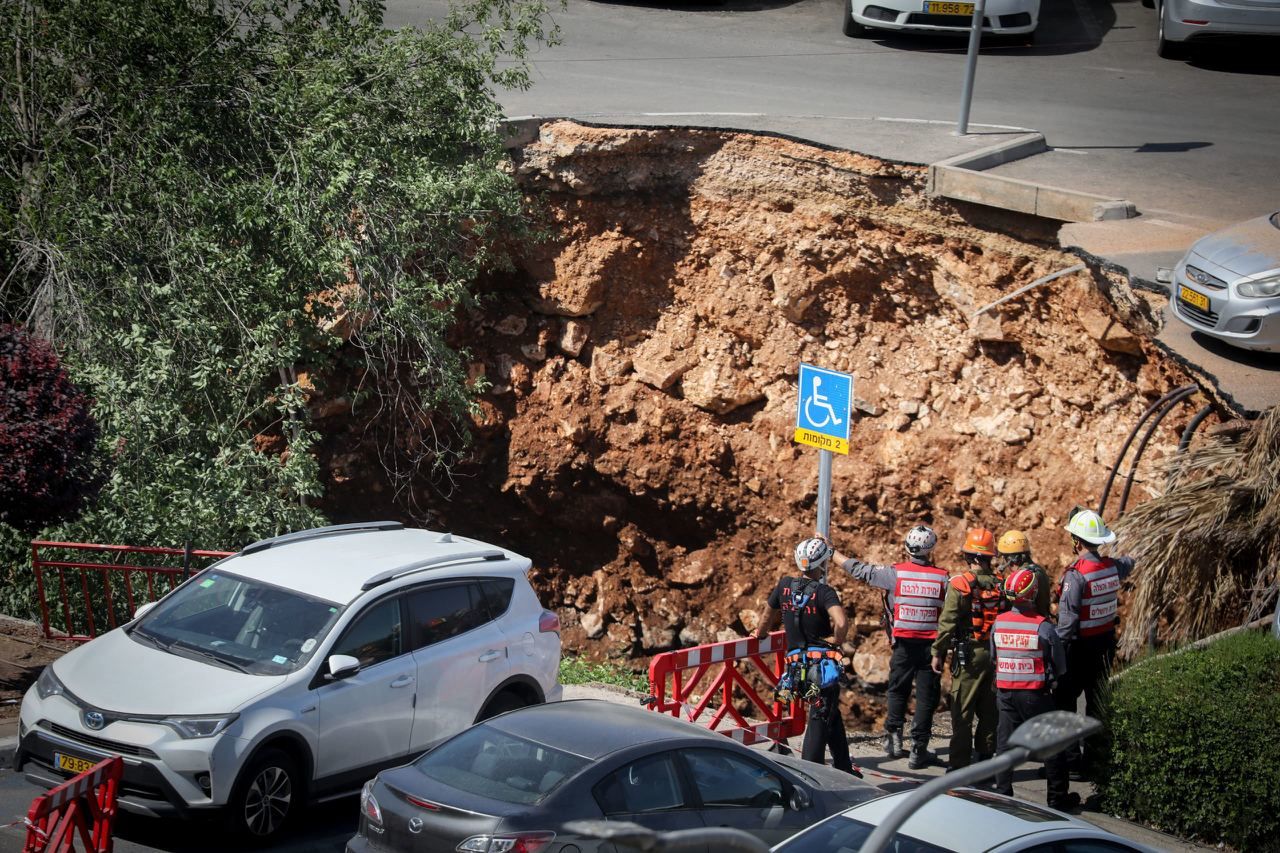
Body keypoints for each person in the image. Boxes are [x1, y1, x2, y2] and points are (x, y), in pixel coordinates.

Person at [833, 525, 947, 769]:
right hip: (932, 646)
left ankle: (894, 740)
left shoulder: (896, 574)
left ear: (907, 548)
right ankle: (919, 749)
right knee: (927, 697)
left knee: (897, 690)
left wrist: (831, 553)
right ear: (931, 550)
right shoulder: (942, 577)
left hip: (903, 644)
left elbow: (859, 570)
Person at [754, 536, 854, 774]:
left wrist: (760, 633)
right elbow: (841, 621)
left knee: (830, 712)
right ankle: (811, 771)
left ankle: (844, 766)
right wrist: (836, 640)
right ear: (822, 565)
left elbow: (766, 619)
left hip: (796, 667)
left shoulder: (784, 585)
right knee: (820, 714)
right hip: (820, 668)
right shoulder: (824, 592)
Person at [1054, 508, 1136, 778]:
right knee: (1095, 703)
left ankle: (1072, 763)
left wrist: (1055, 654)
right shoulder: (1111, 568)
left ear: (1076, 542)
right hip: (1104, 646)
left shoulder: (1075, 576)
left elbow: (1066, 625)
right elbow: (1129, 562)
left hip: (1077, 649)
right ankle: (1092, 760)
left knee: (1065, 704)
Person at [991, 568, 1078, 811]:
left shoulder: (998, 623)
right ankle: (1056, 798)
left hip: (1005, 694)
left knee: (1004, 745)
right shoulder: (1043, 626)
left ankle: (1003, 793)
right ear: (1033, 593)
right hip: (1035, 695)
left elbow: (993, 657)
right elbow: (1060, 667)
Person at [931, 527, 1004, 771]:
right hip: (996, 655)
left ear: (969, 556)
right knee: (989, 710)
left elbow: (948, 622)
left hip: (969, 656)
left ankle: (959, 766)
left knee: (962, 711)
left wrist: (938, 652)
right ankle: (984, 762)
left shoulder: (960, 584)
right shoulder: (1002, 584)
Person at [997, 530, 1052, 618]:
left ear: (1011, 560)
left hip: (1030, 622)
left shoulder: (1022, 578)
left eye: (1005, 558)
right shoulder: (1039, 569)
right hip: (1042, 621)